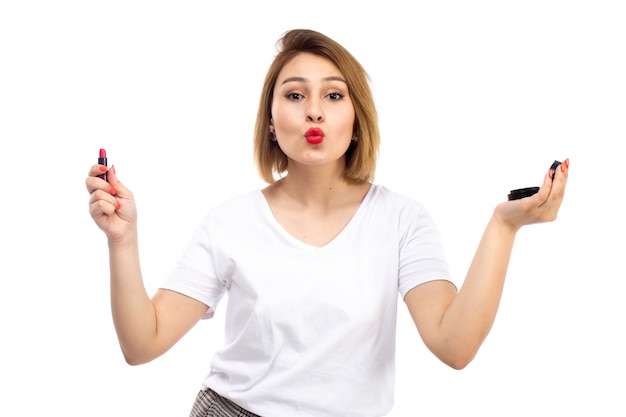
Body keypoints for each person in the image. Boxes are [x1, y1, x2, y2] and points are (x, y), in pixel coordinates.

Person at [86, 29, 569, 417]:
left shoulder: (401, 220)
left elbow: (455, 346)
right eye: (295, 95)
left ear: (356, 119)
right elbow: (141, 343)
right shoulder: (229, 223)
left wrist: (504, 227)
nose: (314, 109)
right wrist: (122, 241)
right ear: (271, 122)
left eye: (334, 96)